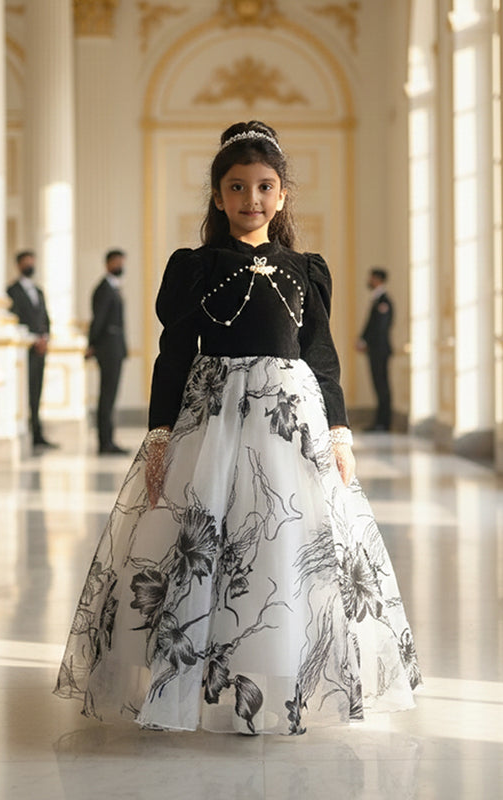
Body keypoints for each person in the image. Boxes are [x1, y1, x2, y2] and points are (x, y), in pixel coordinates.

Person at [54, 122, 420, 735]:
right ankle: (191, 674)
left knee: (284, 541)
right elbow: (174, 355)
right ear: (219, 196)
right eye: (237, 186)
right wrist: (161, 433)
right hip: (213, 419)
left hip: (289, 423)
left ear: (282, 196)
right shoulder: (195, 267)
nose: (251, 198)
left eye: (264, 186)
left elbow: (321, 356)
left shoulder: (307, 269)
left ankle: (283, 674)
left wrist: (338, 430)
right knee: (207, 541)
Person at [7, 251, 57, 449]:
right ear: (19, 264)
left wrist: (45, 338)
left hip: (40, 349)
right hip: (25, 350)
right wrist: (33, 339)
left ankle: (38, 433)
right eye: (26, 262)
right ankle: (28, 431)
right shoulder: (12, 291)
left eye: (32, 261)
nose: (30, 265)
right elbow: (15, 318)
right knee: (25, 391)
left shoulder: (38, 290)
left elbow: (45, 318)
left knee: (37, 391)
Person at [86, 249, 129, 455]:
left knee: (111, 395)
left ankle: (109, 439)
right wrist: (91, 343)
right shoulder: (104, 289)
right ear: (108, 263)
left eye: (122, 261)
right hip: (108, 348)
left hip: (116, 348)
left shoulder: (114, 288)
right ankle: (105, 442)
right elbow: (99, 319)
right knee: (107, 396)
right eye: (117, 262)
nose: (121, 265)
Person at [356, 268, 394, 431]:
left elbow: (380, 328)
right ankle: (380, 421)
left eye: (371, 278)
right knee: (378, 386)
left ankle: (383, 423)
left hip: (379, 350)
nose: (369, 280)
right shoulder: (377, 300)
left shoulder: (384, 302)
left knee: (382, 386)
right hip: (375, 350)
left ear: (378, 280)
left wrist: (366, 342)